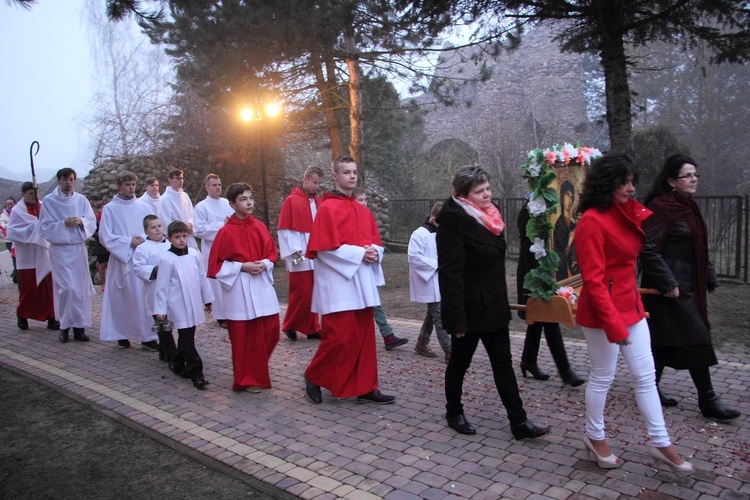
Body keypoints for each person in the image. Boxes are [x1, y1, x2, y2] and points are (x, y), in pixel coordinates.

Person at [575, 152, 694, 477]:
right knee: (603, 376)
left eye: (632, 182)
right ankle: (594, 436)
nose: (631, 188)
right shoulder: (591, 222)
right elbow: (595, 282)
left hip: (632, 307)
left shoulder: (626, 212)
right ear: (607, 183)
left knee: (645, 378)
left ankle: (660, 442)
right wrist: (615, 326)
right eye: (624, 182)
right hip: (602, 313)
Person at [436, 165, 548, 440]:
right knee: (460, 364)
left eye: (488, 188)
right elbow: (450, 276)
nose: (487, 194)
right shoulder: (453, 223)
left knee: (503, 365)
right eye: (480, 191)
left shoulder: (490, 217)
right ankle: (453, 412)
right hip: (469, 309)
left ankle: (519, 422)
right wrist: (456, 321)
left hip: (494, 306)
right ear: (464, 195)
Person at [640, 154, 740, 420]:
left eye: (696, 175)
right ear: (672, 181)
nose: (694, 179)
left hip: (689, 286)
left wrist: (710, 277)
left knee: (661, 343)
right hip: (668, 290)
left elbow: (699, 247)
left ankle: (649, 388)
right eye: (688, 175)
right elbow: (647, 249)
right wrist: (667, 282)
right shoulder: (660, 208)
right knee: (697, 339)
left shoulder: (690, 207)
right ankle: (708, 399)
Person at [303, 156, 395, 405]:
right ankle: (313, 375)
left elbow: (374, 241)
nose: (352, 176)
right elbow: (323, 249)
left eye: (354, 172)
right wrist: (359, 254)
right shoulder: (327, 209)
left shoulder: (362, 210)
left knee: (364, 339)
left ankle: (367, 387)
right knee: (339, 339)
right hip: (338, 285)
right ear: (335, 176)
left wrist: (376, 252)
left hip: (362, 283)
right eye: (346, 172)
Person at [207, 183, 280, 393]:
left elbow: (272, 254)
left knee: (271, 329)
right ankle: (247, 378)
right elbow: (215, 266)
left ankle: (256, 369)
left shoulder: (259, 226)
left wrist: (264, 264)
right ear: (232, 204)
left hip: (261, 284)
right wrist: (242, 266)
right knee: (244, 336)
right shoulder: (225, 232)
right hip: (238, 287)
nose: (249, 202)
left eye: (250, 197)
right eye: (243, 199)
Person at [516, 202, 585, 386]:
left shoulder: (551, 209)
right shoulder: (529, 210)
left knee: (539, 319)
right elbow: (528, 246)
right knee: (549, 317)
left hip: (548, 273)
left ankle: (528, 360)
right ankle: (565, 371)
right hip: (535, 274)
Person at [98, 171, 160, 350]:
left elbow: (152, 227)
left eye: (133, 184)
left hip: (141, 258)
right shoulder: (110, 208)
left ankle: (147, 336)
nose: (131, 188)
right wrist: (127, 242)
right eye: (127, 184)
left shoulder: (143, 206)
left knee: (142, 298)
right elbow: (105, 235)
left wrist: (142, 238)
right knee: (122, 299)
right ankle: (121, 334)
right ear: (119, 186)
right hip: (122, 259)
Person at [39, 168, 97, 343]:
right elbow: (44, 227)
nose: (69, 183)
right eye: (65, 179)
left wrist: (81, 222)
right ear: (59, 180)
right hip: (60, 250)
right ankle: (64, 326)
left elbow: (91, 221)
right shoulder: (49, 202)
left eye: (72, 179)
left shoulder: (81, 200)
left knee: (79, 290)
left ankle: (79, 327)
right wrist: (63, 224)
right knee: (66, 289)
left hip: (77, 249)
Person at [154, 221, 214, 389]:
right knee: (187, 339)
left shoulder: (194, 254)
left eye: (184, 236)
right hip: (177, 304)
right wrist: (160, 310)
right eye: (177, 237)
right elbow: (162, 286)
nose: (181, 240)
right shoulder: (167, 259)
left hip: (193, 302)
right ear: (169, 238)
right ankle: (197, 373)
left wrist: (207, 299)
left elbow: (202, 278)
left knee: (186, 338)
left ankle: (177, 363)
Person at [352, 188, 408, 351]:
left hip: (368, 265)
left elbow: (375, 239)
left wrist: (374, 251)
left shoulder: (368, 217)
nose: (363, 203)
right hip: (356, 266)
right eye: (359, 200)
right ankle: (385, 334)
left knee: (375, 301)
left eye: (364, 200)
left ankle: (387, 334)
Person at [276, 165, 323, 341]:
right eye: (314, 182)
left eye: (318, 183)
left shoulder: (318, 201)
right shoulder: (291, 200)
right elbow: (285, 229)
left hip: (315, 253)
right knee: (301, 292)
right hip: (299, 254)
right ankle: (289, 324)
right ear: (305, 180)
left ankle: (312, 327)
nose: (316, 186)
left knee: (314, 292)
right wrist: (296, 253)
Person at [6, 182, 58, 331]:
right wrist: (35, 227)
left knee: (48, 288)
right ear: (23, 195)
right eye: (30, 194)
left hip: (44, 253)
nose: (34, 196)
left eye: (35, 193)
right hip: (27, 256)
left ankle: (51, 316)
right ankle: (22, 314)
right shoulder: (17, 211)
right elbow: (13, 231)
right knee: (29, 289)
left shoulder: (44, 207)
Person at [408, 201, 451, 361]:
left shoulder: (442, 231)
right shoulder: (419, 234)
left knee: (433, 313)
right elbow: (414, 257)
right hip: (429, 280)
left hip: (440, 279)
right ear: (433, 218)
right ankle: (449, 349)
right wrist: (436, 265)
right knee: (439, 314)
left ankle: (421, 342)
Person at [193, 174, 234, 328]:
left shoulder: (227, 204)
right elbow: (199, 230)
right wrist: (221, 225)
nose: (218, 187)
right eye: (214, 185)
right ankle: (221, 315)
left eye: (219, 184)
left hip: (229, 248)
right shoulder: (201, 207)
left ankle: (232, 312)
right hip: (213, 248)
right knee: (216, 282)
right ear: (207, 187)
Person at [133, 215, 173, 362]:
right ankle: (172, 356)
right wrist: (156, 271)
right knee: (162, 324)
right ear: (146, 230)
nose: (157, 230)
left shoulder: (170, 245)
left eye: (159, 226)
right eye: (153, 227)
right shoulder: (142, 248)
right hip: (154, 291)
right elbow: (138, 268)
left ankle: (163, 351)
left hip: (170, 291)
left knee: (169, 323)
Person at [158, 168, 197, 249]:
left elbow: (192, 214)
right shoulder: (164, 199)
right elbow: (165, 221)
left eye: (182, 178)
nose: (181, 181)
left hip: (189, 236)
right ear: (170, 180)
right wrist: (181, 229)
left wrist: (190, 224)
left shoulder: (185, 195)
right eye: (178, 178)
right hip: (177, 239)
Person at [554, 180, 579, 280]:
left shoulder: (573, 224)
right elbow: (559, 254)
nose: (569, 199)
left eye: (572, 197)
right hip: (564, 274)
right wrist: (570, 241)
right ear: (562, 196)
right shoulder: (559, 225)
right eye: (567, 195)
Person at [91, 199, 110, 291]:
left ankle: (110, 283)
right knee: (102, 265)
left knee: (110, 264)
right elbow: (92, 231)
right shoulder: (95, 219)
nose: (102, 209)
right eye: (100, 208)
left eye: (104, 207)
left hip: (109, 245)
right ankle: (103, 283)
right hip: (100, 245)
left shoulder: (109, 218)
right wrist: (100, 235)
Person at [1, 196, 18, 283]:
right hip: (8, 240)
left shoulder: (19, 211)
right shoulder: (4, 215)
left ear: (14, 203)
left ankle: (15, 274)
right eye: (8, 204)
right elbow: (2, 226)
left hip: (18, 239)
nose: (9, 205)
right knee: (15, 257)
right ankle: (16, 276)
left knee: (18, 257)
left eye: (11, 204)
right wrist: (11, 225)